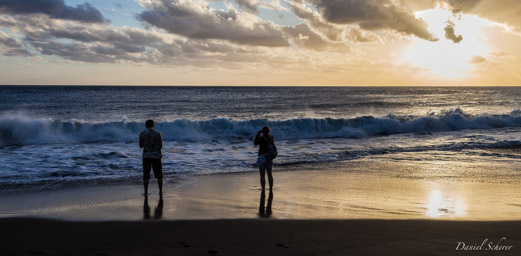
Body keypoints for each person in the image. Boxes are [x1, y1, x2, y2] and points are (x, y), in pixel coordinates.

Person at [139, 119, 163, 198]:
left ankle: (146, 192)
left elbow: (140, 145)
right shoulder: (158, 134)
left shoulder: (142, 134)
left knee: (146, 175)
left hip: (146, 156)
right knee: (159, 175)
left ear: (146, 125)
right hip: (156, 156)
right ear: (153, 125)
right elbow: (160, 145)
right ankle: (160, 191)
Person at [254, 126, 274, 191]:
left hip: (262, 157)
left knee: (262, 175)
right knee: (270, 174)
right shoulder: (271, 138)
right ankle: (271, 188)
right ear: (269, 131)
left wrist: (258, 134)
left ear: (262, 132)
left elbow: (255, 143)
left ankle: (263, 189)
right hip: (269, 157)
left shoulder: (261, 138)